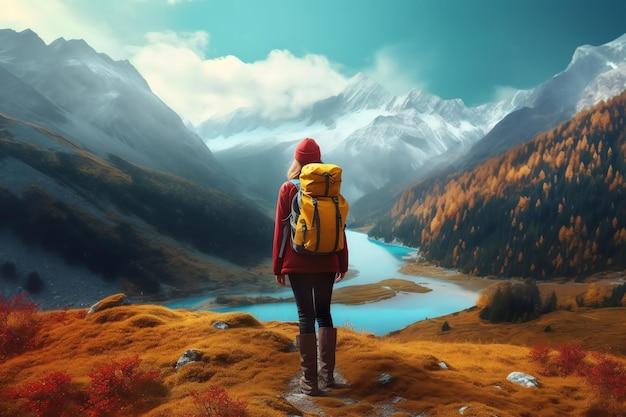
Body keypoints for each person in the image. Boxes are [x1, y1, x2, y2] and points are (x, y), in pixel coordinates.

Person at [272, 137, 349, 396]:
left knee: (305, 316)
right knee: (324, 314)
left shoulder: (288, 188)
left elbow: (281, 231)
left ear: (297, 160)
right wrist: (342, 262)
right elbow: (340, 228)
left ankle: (310, 383)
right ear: (319, 159)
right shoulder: (330, 188)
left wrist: (277, 266)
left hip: (297, 262)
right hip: (328, 260)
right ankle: (328, 377)